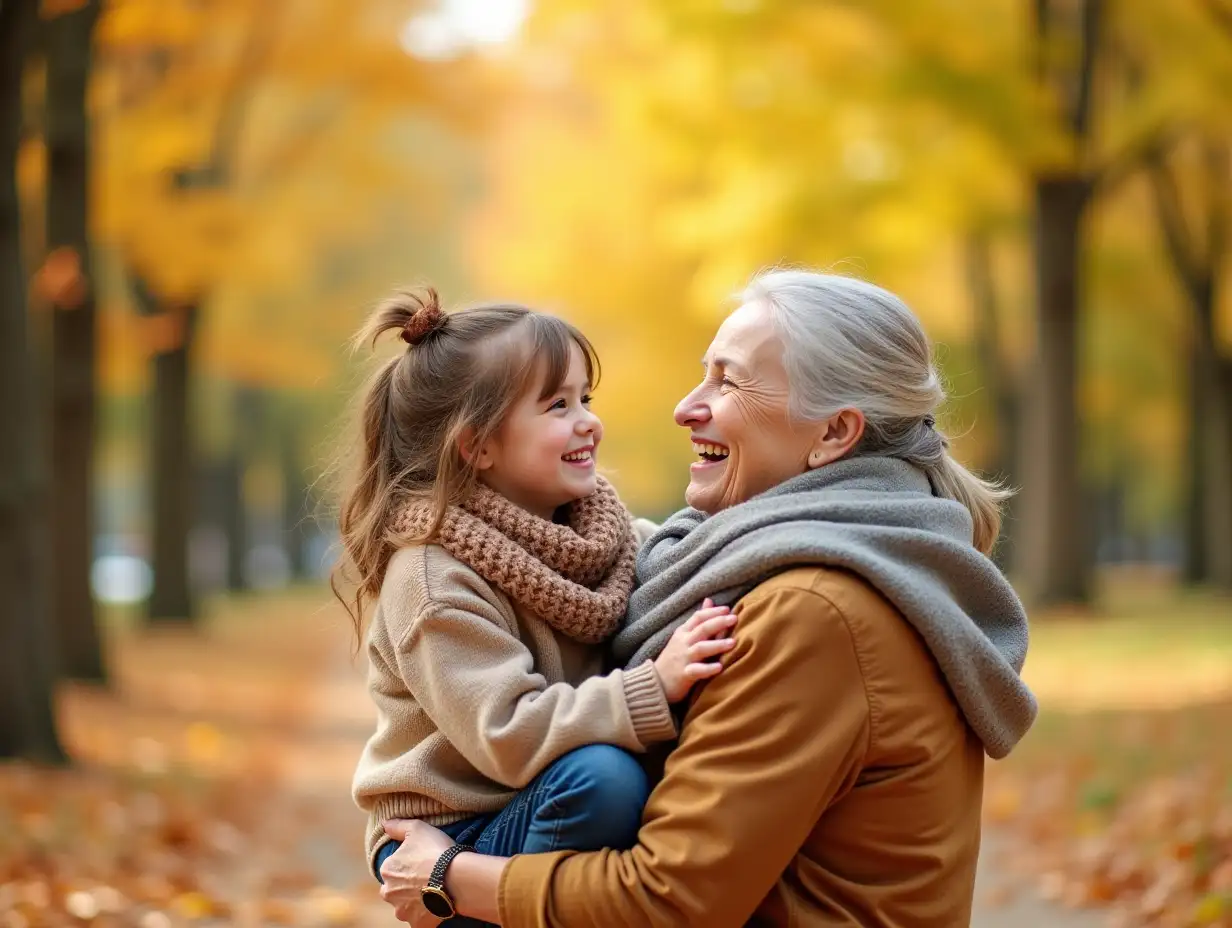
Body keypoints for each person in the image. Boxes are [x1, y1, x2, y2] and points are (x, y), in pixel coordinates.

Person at [376, 270, 1038, 928]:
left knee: (602, 780)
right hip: (492, 806)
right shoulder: (752, 568)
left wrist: (447, 878)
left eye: (729, 381)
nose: (685, 407)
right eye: (704, 374)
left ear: (834, 434)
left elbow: (666, 899)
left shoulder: (815, 609)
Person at [337, 289, 739, 925]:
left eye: (586, 398)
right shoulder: (433, 577)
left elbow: (679, 557)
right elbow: (509, 735)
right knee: (602, 780)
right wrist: (653, 687)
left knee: (614, 778)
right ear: (477, 446)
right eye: (557, 405)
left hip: (544, 792)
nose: (587, 421)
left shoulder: (600, 539)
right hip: (459, 829)